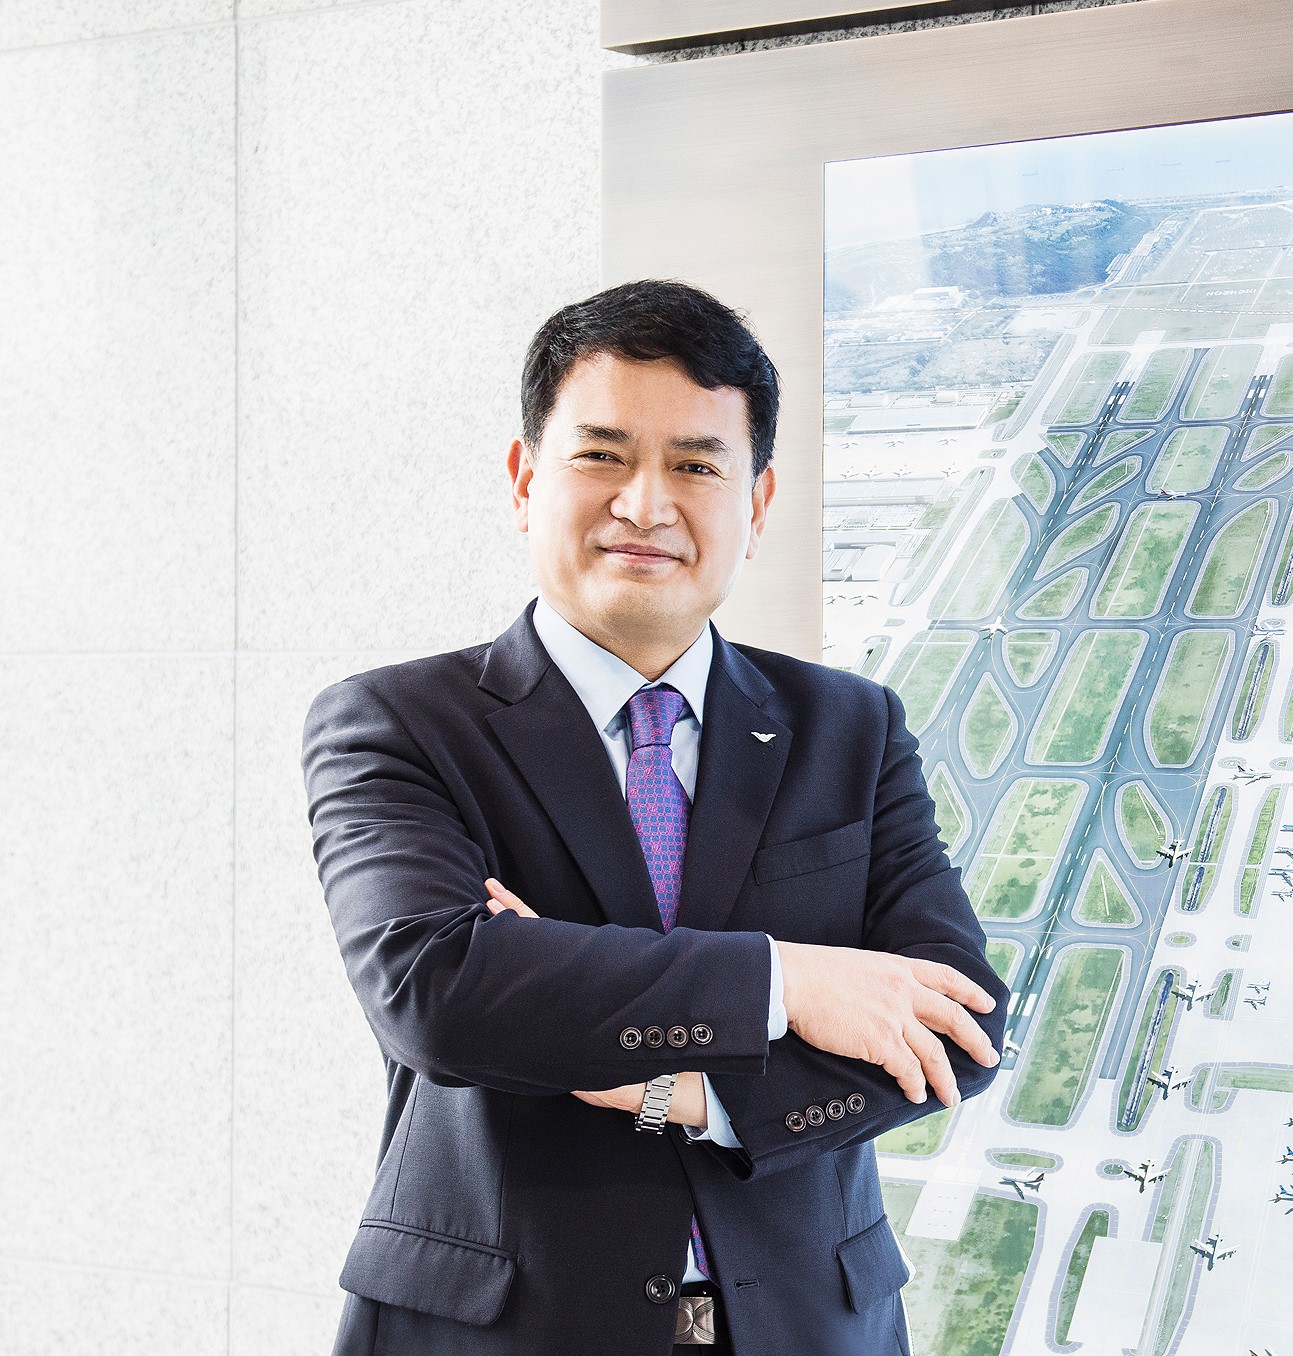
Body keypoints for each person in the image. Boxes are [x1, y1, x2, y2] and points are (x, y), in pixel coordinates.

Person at [301, 279, 1008, 1356]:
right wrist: (790, 983)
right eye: (602, 455)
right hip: (504, 1329)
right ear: (524, 478)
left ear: (756, 504)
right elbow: (438, 992)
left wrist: (671, 1092)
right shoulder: (398, 723)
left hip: (806, 1326)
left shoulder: (850, 727)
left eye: (695, 465)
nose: (644, 504)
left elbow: (957, 1025)